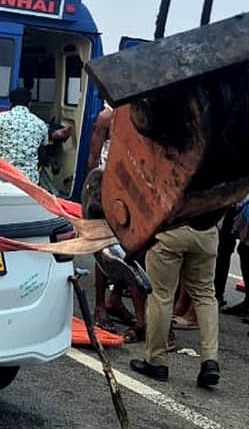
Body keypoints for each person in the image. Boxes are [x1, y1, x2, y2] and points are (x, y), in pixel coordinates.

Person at [130, 224, 221, 388]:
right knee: (205, 295)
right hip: (206, 231)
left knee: (161, 295)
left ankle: (156, 361)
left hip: (172, 228)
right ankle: (210, 360)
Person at [86, 102, 148, 341]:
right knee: (104, 246)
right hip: (109, 189)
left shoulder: (142, 115)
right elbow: (93, 158)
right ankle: (100, 307)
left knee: (130, 249)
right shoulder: (107, 117)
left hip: (134, 191)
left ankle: (115, 301)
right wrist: (94, 195)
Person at [0, 87, 48, 184]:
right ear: (29, 104)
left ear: (10, 103)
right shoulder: (41, 124)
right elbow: (42, 154)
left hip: (4, 177)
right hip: (29, 182)